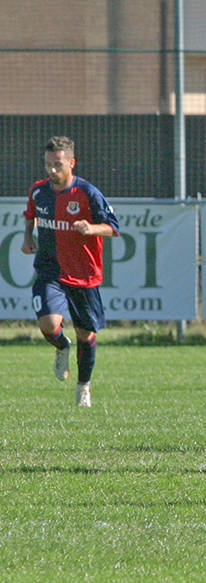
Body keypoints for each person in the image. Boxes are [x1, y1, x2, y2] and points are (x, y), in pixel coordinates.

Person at [21, 136, 120, 408]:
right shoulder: (38, 191)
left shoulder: (87, 193)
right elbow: (30, 215)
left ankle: (83, 387)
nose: (52, 170)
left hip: (82, 273)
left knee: (85, 335)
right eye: (48, 164)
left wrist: (92, 228)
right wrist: (27, 237)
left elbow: (113, 227)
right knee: (49, 325)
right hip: (49, 269)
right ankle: (61, 346)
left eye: (58, 164)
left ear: (71, 163)